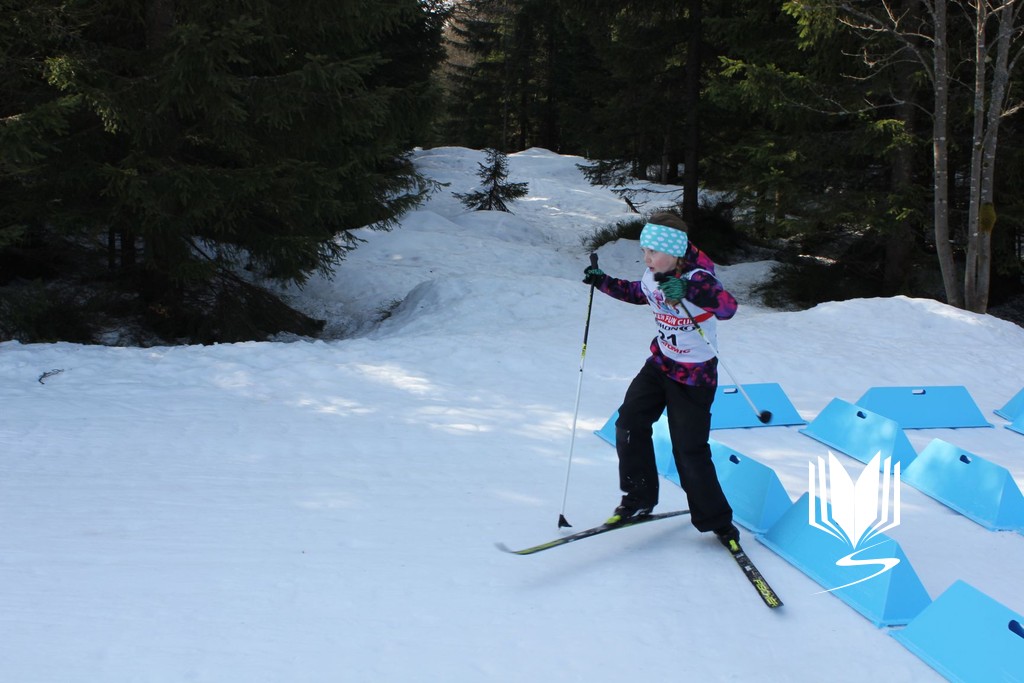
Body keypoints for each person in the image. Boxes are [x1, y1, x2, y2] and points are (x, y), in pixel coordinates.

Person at [582, 211, 740, 547]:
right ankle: (639, 498)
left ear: (675, 251)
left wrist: (689, 290)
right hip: (660, 364)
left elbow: (727, 308)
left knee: (689, 450)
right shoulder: (654, 274)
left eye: (653, 251)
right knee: (629, 423)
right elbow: (640, 293)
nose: (647, 258)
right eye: (644, 251)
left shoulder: (699, 277)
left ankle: (718, 522)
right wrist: (602, 281)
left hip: (694, 376)